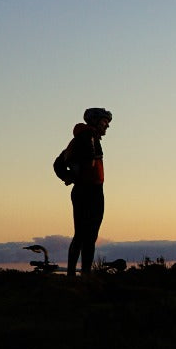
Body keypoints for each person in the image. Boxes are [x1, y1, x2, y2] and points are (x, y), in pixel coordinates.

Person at [63, 107, 112, 277]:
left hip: (92, 190)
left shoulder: (88, 138)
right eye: (104, 122)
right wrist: (71, 177)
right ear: (94, 121)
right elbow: (58, 163)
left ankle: (79, 274)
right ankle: (80, 275)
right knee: (85, 235)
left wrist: (69, 176)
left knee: (86, 235)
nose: (107, 126)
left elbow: (59, 162)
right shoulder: (85, 138)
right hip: (88, 191)